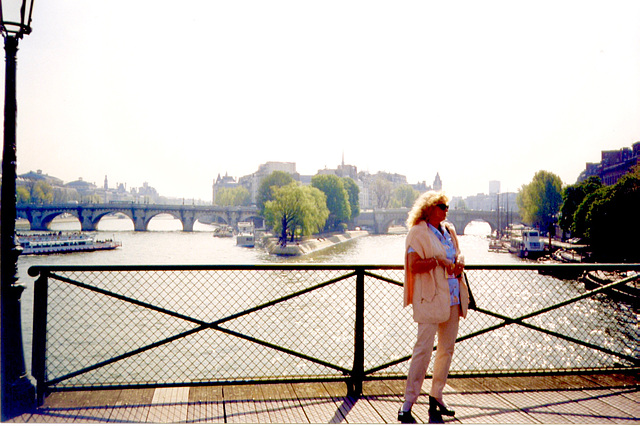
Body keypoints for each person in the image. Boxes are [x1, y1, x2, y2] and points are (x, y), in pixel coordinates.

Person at [397, 191, 470, 423]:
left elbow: (457, 254)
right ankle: (408, 402)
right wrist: (438, 261)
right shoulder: (418, 232)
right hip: (430, 297)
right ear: (429, 208)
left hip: (453, 297)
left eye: (447, 206)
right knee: (423, 350)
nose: (446, 210)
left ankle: (436, 395)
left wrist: (459, 262)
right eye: (442, 206)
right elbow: (413, 265)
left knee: (446, 349)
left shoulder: (449, 230)